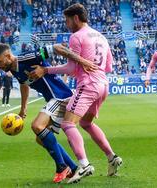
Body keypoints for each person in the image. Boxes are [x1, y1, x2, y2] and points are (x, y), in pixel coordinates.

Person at [29, 3, 123, 184]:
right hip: (103, 84)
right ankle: (112, 158)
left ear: (76, 18)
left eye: (67, 20)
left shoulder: (76, 37)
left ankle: (84, 165)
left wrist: (46, 70)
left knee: (67, 123)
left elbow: (71, 68)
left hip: (88, 85)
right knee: (86, 123)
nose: (66, 24)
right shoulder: (102, 37)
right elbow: (109, 66)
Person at [0, 43, 96, 183]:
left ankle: (61, 167)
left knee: (37, 126)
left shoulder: (26, 58)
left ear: (8, 56)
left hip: (60, 96)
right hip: (55, 99)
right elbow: (24, 84)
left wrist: (82, 61)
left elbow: (57, 48)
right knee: (41, 139)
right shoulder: (14, 70)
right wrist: (23, 108)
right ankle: (73, 167)